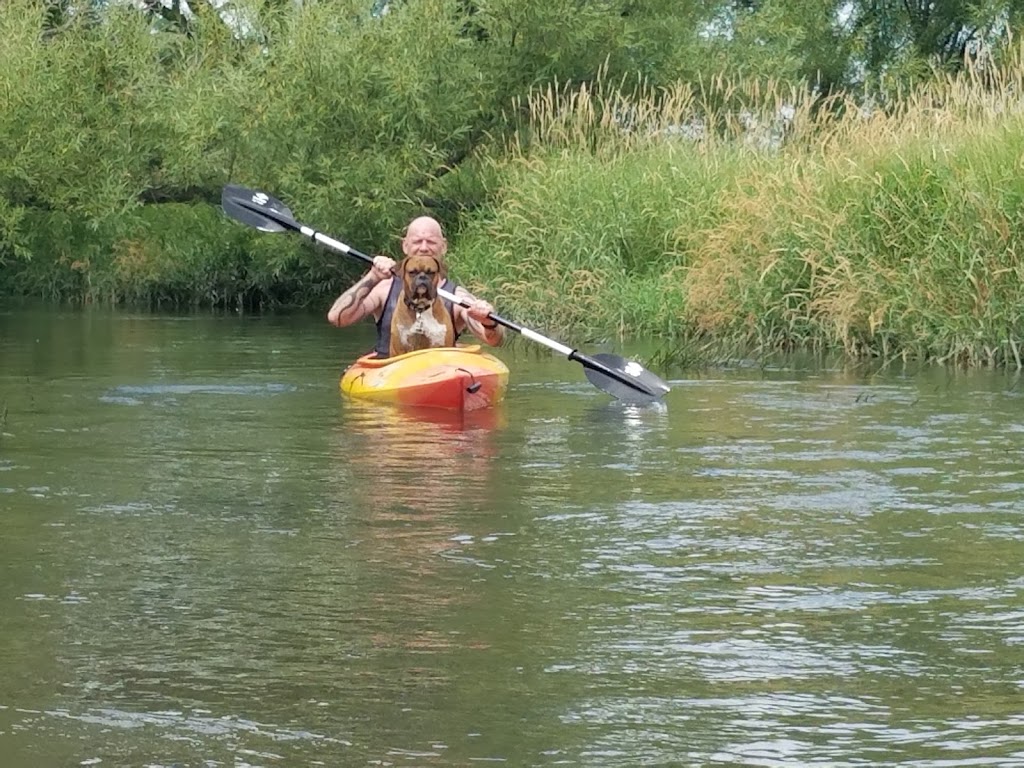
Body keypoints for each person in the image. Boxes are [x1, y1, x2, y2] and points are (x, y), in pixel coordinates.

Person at [327, 216, 504, 356]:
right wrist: (372, 276)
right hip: (390, 373)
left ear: (443, 247)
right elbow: (338, 317)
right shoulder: (384, 289)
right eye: (418, 241)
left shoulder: (457, 296)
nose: (424, 248)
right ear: (405, 245)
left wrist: (488, 321)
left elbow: (494, 339)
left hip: (439, 374)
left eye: (431, 242)